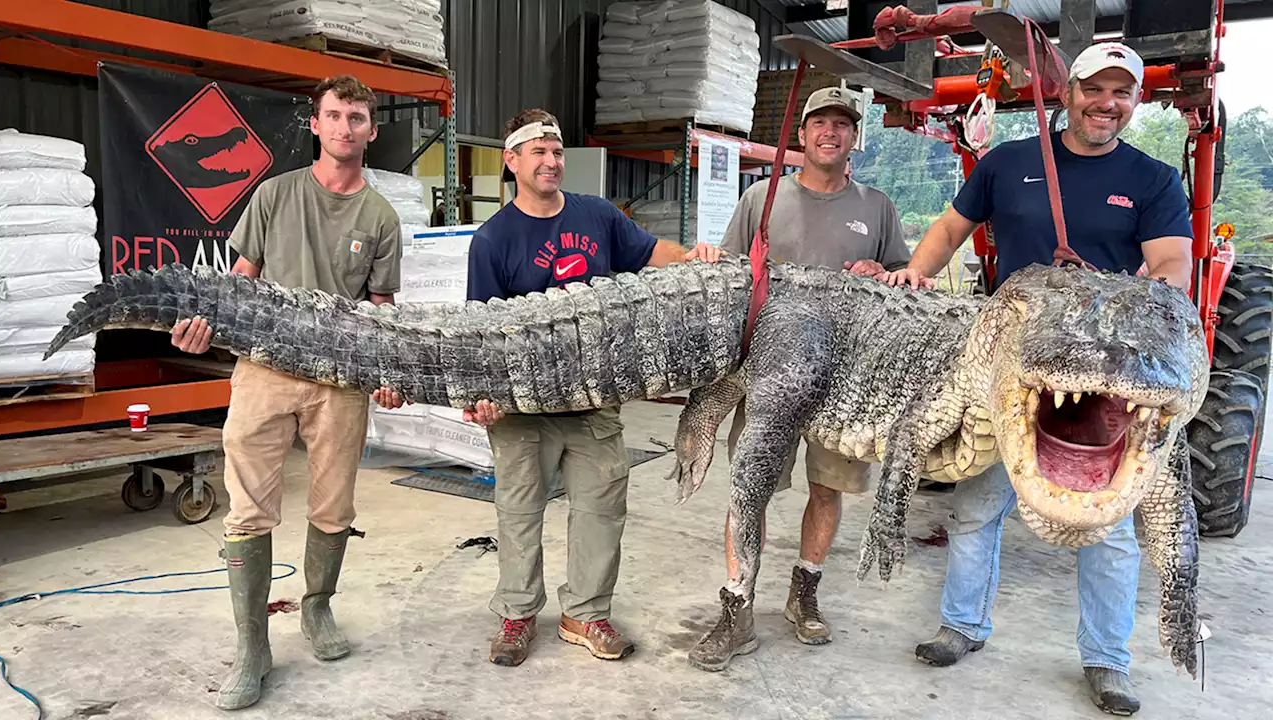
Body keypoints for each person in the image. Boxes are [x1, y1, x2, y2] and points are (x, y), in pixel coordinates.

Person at [879, 42, 1193, 716]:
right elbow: (951, 227)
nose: (1107, 105)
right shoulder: (1010, 163)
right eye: (1095, 90)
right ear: (1068, 91)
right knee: (976, 503)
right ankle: (962, 625)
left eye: (1122, 94)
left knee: (1106, 526)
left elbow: (1171, 267)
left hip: (1102, 376)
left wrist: (1133, 303)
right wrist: (918, 272)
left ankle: (1108, 660)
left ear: (1135, 102)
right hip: (1013, 369)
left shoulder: (1154, 179)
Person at [168, 75, 406, 710]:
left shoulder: (380, 217)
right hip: (264, 373)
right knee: (247, 510)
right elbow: (236, 287)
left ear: (371, 129)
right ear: (316, 124)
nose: (344, 127)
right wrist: (203, 332)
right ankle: (252, 647)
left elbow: (379, 309)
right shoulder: (273, 196)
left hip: (341, 383)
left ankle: (318, 608)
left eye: (357, 117)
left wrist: (387, 371)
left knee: (334, 508)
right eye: (334, 115)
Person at [463, 108, 723, 667]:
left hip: (594, 400)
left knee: (602, 508)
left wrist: (694, 256)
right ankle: (517, 614)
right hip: (521, 408)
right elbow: (480, 332)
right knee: (518, 511)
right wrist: (478, 397)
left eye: (557, 152)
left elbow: (654, 254)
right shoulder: (492, 240)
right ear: (512, 161)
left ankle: (585, 614)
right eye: (539, 152)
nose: (552, 161)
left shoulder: (598, 215)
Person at [687, 86, 913, 672]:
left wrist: (882, 272)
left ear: (853, 137)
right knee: (749, 487)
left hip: (846, 382)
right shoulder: (762, 199)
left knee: (828, 488)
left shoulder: (878, 206)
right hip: (769, 378)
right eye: (820, 123)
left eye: (842, 124)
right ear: (803, 133)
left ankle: (804, 590)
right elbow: (732, 280)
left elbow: (903, 281)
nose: (830, 133)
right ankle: (737, 605)